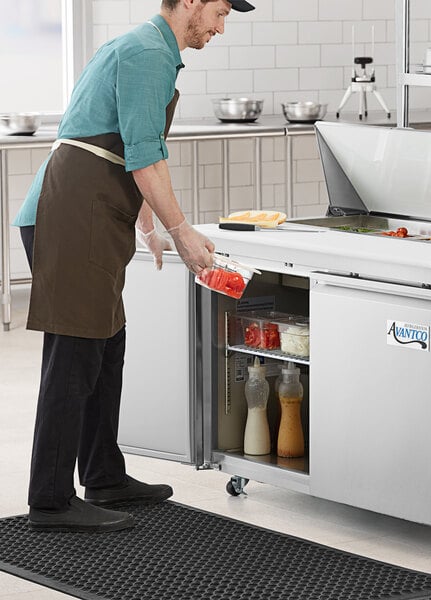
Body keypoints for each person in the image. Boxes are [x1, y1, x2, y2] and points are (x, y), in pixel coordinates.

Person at [12, 0, 255, 533]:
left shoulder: (149, 49)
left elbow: (119, 143)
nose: (219, 27)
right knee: (74, 354)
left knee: (107, 343)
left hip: (91, 210)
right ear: (189, 1)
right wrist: (181, 231)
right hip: (76, 214)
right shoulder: (147, 53)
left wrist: (146, 224)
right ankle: (50, 501)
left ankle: (102, 474)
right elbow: (145, 153)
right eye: (218, 12)